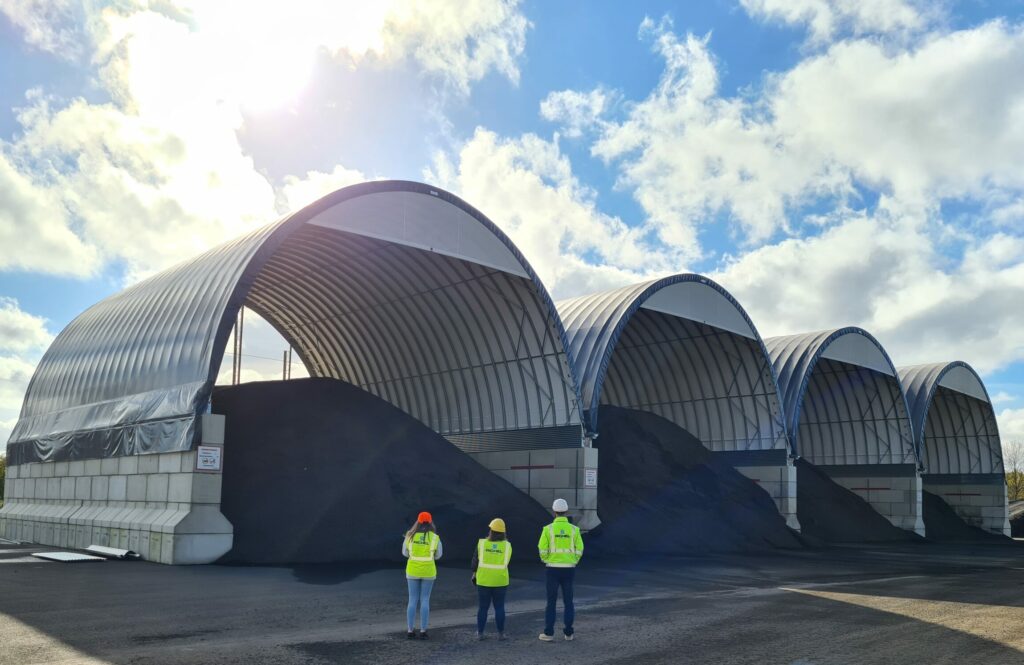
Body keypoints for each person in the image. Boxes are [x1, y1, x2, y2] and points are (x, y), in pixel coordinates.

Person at [537, 498, 583, 642]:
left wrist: (546, 559)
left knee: (551, 602)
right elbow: (580, 548)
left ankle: (549, 633)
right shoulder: (574, 530)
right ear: (566, 511)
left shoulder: (548, 529)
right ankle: (568, 633)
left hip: (552, 570)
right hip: (569, 569)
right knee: (568, 601)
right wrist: (573, 560)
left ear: (554, 511)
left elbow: (542, 548)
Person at [403, 511, 442, 639]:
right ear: (430, 522)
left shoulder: (409, 536)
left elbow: (404, 553)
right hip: (428, 571)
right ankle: (423, 631)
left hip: (413, 570)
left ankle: (410, 630)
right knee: (425, 599)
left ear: (418, 522)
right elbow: (438, 555)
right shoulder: (435, 538)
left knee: (412, 600)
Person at [471, 518, 511, 641]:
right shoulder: (507, 546)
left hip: (483, 580)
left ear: (491, 530)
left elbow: (475, 561)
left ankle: (480, 633)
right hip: (500, 580)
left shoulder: (482, 544)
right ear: (503, 532)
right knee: (499, 607)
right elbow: (507, 561)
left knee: (483, 607)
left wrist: (474, 574)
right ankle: (501, 634)